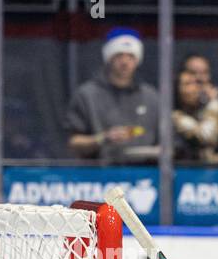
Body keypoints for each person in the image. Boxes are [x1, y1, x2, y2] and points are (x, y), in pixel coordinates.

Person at [64, 27, 160, 162]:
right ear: (108, 57)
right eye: (119, 55)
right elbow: (73, 143)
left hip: (144, 176)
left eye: (131, 56)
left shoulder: (152, 97)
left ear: (138, 60)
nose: (125, 62)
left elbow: (166, 143)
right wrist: (103, 138)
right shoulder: (87, 95)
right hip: (99, 176)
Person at [172, 68, 218, 161]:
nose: (195, 88)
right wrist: (213, 102)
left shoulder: (203, 114)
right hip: (185, 171)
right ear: (177, 90)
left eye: (196, 83)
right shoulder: (175, 117)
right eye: (188, 84)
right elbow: (206, 136)